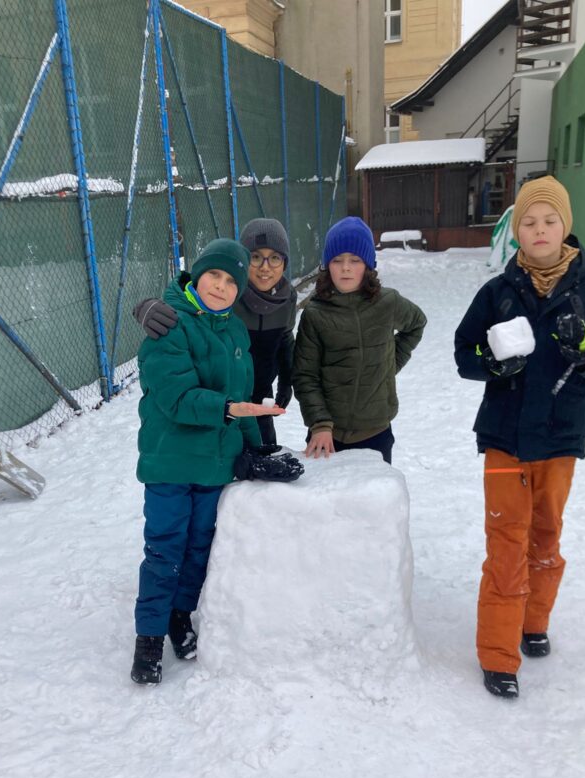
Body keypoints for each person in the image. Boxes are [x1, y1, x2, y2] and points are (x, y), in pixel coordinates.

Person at [454, 176, 585, 700]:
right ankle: (498, 655)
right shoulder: (498, 292)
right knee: (506, 543)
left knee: (546, 536)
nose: (539, 230)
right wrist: (493, 362)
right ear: (518, 232)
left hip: (559, 437)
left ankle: (533, 623)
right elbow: (465, 352)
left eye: (549, 221)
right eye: (529, 222)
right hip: (504, 438)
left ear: (564, 226)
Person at [131, 238, 302, 686]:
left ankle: (179, 616)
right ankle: (148, 638)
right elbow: (176, 398)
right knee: (164, 549)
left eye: (231, 281)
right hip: (170, 464)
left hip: (213, 466)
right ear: (196, 275)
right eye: (214, 275)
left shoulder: (235, 332)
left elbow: (243, 400)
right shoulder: (169, 325)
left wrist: (255, 449)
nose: (221, 286)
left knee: (199, 549)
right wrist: (227, 410)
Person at [133, 218, 296, 446]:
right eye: (256, 257)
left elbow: (285, 339)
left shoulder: (287, 298)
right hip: (218, 399)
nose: (265, 267)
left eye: (275, 258)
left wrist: (287, 381)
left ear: (284, 263)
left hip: (259, 397)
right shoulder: (227, 296)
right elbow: (190, 297)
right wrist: (149, 307)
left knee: (263, 453)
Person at [292, 216, 427, 465]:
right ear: (327, 266)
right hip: (326, 436)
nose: (346, 267)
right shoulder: (315, 313)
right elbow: (304, 375)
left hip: (376, 433)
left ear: (368, 265)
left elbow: (417, 324)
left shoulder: (388, 303)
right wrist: (320, 424)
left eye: (355, 260)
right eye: (337, 260)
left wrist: (389, 365)